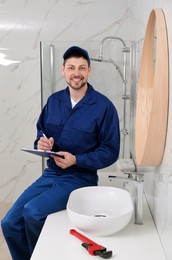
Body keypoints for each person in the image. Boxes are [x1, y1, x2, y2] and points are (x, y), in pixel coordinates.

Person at [1, 46, 120, 260]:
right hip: (51, 175)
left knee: (32, 212)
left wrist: (78, 160)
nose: (77, 73)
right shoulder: (54, 101)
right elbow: (41, 132)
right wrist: (42, 143)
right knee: (8, 222)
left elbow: (111, 151)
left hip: (80, 178)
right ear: (63, 70)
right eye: (72, 67)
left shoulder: (104, 107)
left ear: (89, 71)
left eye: (82, 68)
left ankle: (45, 256)